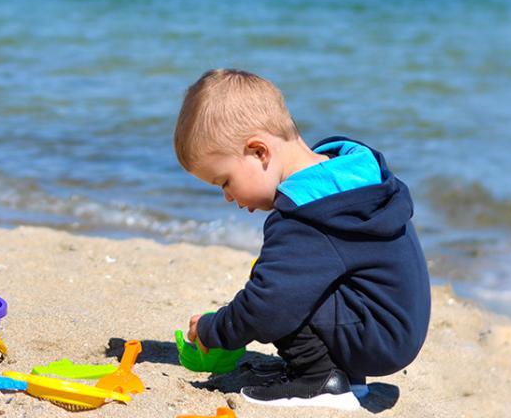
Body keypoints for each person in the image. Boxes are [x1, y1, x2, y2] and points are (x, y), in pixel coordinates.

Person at [175, 69, 429, 409]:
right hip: (394, 326)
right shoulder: (348, 177)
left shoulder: (305, 215)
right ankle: (345, 374)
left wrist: (213, 329)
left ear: (259, 152)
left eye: (224, 181)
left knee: (277, 285)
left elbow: (268, 306)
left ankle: (319, 378)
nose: (227, 197)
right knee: (290, 274)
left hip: (377, 339)